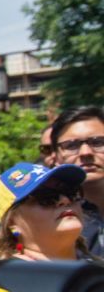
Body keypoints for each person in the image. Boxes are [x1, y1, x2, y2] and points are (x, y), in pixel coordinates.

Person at [0, 162, 99, 286]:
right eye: (46, 197)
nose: (64, 200)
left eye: (70, 192)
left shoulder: (97, 270)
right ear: (12, 222)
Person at [49, 106, 104, 257]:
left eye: (98, 142)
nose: (86, 152)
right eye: (71, 145)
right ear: (55, 156)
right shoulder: (44, 214)